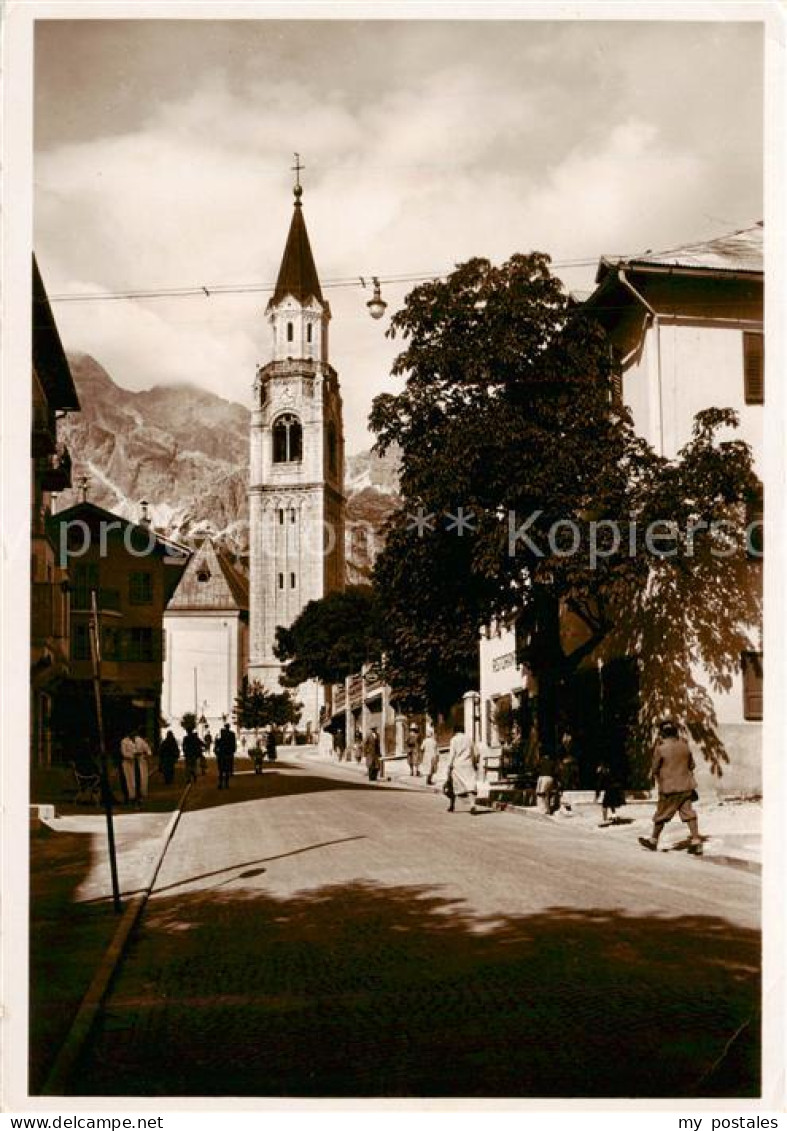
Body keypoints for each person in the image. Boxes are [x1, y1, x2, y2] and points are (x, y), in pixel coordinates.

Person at [639, 719, 703, 856]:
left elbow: (655, 768)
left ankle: (653, 840)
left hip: (669, 788)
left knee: (661, 814)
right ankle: (696, 841)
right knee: (689, 813)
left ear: (662, 733)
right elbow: (692, 765)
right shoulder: (684, 746)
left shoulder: (661, 749)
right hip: (686, 786)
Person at [446, 725, 478, 814]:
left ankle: (452, 806)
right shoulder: (469, 739)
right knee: (470, 784)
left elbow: (452, 754)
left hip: (457, 765)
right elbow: (476, 753)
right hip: (468, 764)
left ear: (455, 731)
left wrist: (449, 766)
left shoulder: (454, 740)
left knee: (453, 785)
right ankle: (472, 805)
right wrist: (475, 763)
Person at [120, 728, 151, 808]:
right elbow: (124, 753)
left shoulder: (139, 740)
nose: (133, 733)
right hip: (130, 764)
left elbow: (147, 748)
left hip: (140, 763)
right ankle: (132, 799)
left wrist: (147, 753)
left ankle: (140, 799)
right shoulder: (124, 741)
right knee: (131, 782)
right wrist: (133, 755)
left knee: (141, 781)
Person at [215, 722, 237, 790]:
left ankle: (221, 784)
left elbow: (216, 745)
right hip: (228, 753)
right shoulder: (232, 734)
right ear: (229, 727)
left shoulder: (221, 735)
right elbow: (234, 744)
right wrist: (233, 751)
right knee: (227, 770)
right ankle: (226, 784)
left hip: (221, 754)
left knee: (221, 771)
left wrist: (217, 752)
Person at [535, 751, 558, 815]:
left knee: (542, 794)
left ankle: (544, 809)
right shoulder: (553, 762)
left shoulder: (541, 762)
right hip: (550, 778)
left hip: (543, 778)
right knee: (547, 794)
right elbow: (555, 772)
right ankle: (547, 809)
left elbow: (536, 768)